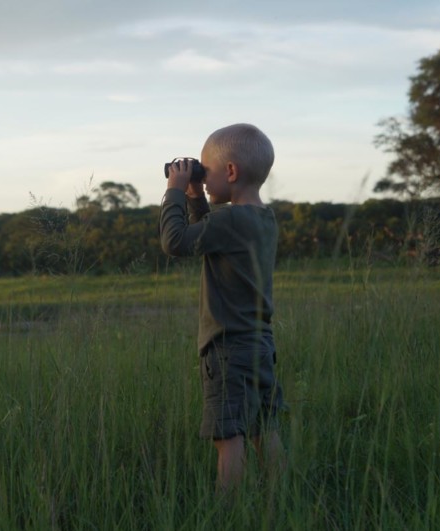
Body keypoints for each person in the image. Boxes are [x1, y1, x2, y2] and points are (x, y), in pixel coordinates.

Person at [159, 123, 286, 495]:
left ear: (230, 172)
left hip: (227, 348)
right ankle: (278, 498)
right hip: (260, 345)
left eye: (205, 170)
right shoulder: (262, 219)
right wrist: (198, 195)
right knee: (265, 428)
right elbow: (208, 236)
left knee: (228, 437)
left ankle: (229, 511)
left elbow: (177, 243)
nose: (202, 177)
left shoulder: (231, 220)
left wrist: (174, 192)